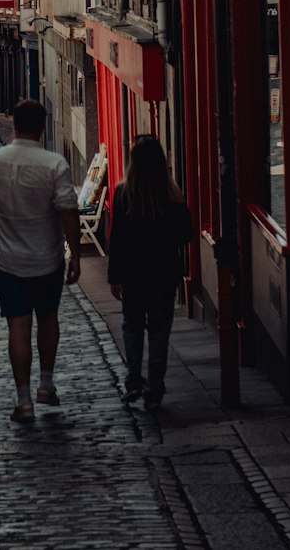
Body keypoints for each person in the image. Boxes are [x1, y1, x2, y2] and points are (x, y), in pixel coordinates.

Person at [0, 97, 81, 423]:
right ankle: (46, 385)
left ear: (14, 125)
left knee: (18, 326)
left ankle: (23, 400)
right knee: (48, 319)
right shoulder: (55, 165)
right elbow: (67, 210)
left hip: (8, 259)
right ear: (42, 127)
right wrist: (75, 253)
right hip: (46, 259)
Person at [107, 135, 193, 410]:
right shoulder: (170, 196)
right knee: (159, 331)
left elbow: (116, 239)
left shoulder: (123, 194)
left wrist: (114, 277)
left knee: (132, 328)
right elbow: (186, 234)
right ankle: (154, 388)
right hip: (163, 274)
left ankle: (133, 381)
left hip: (133, 275)